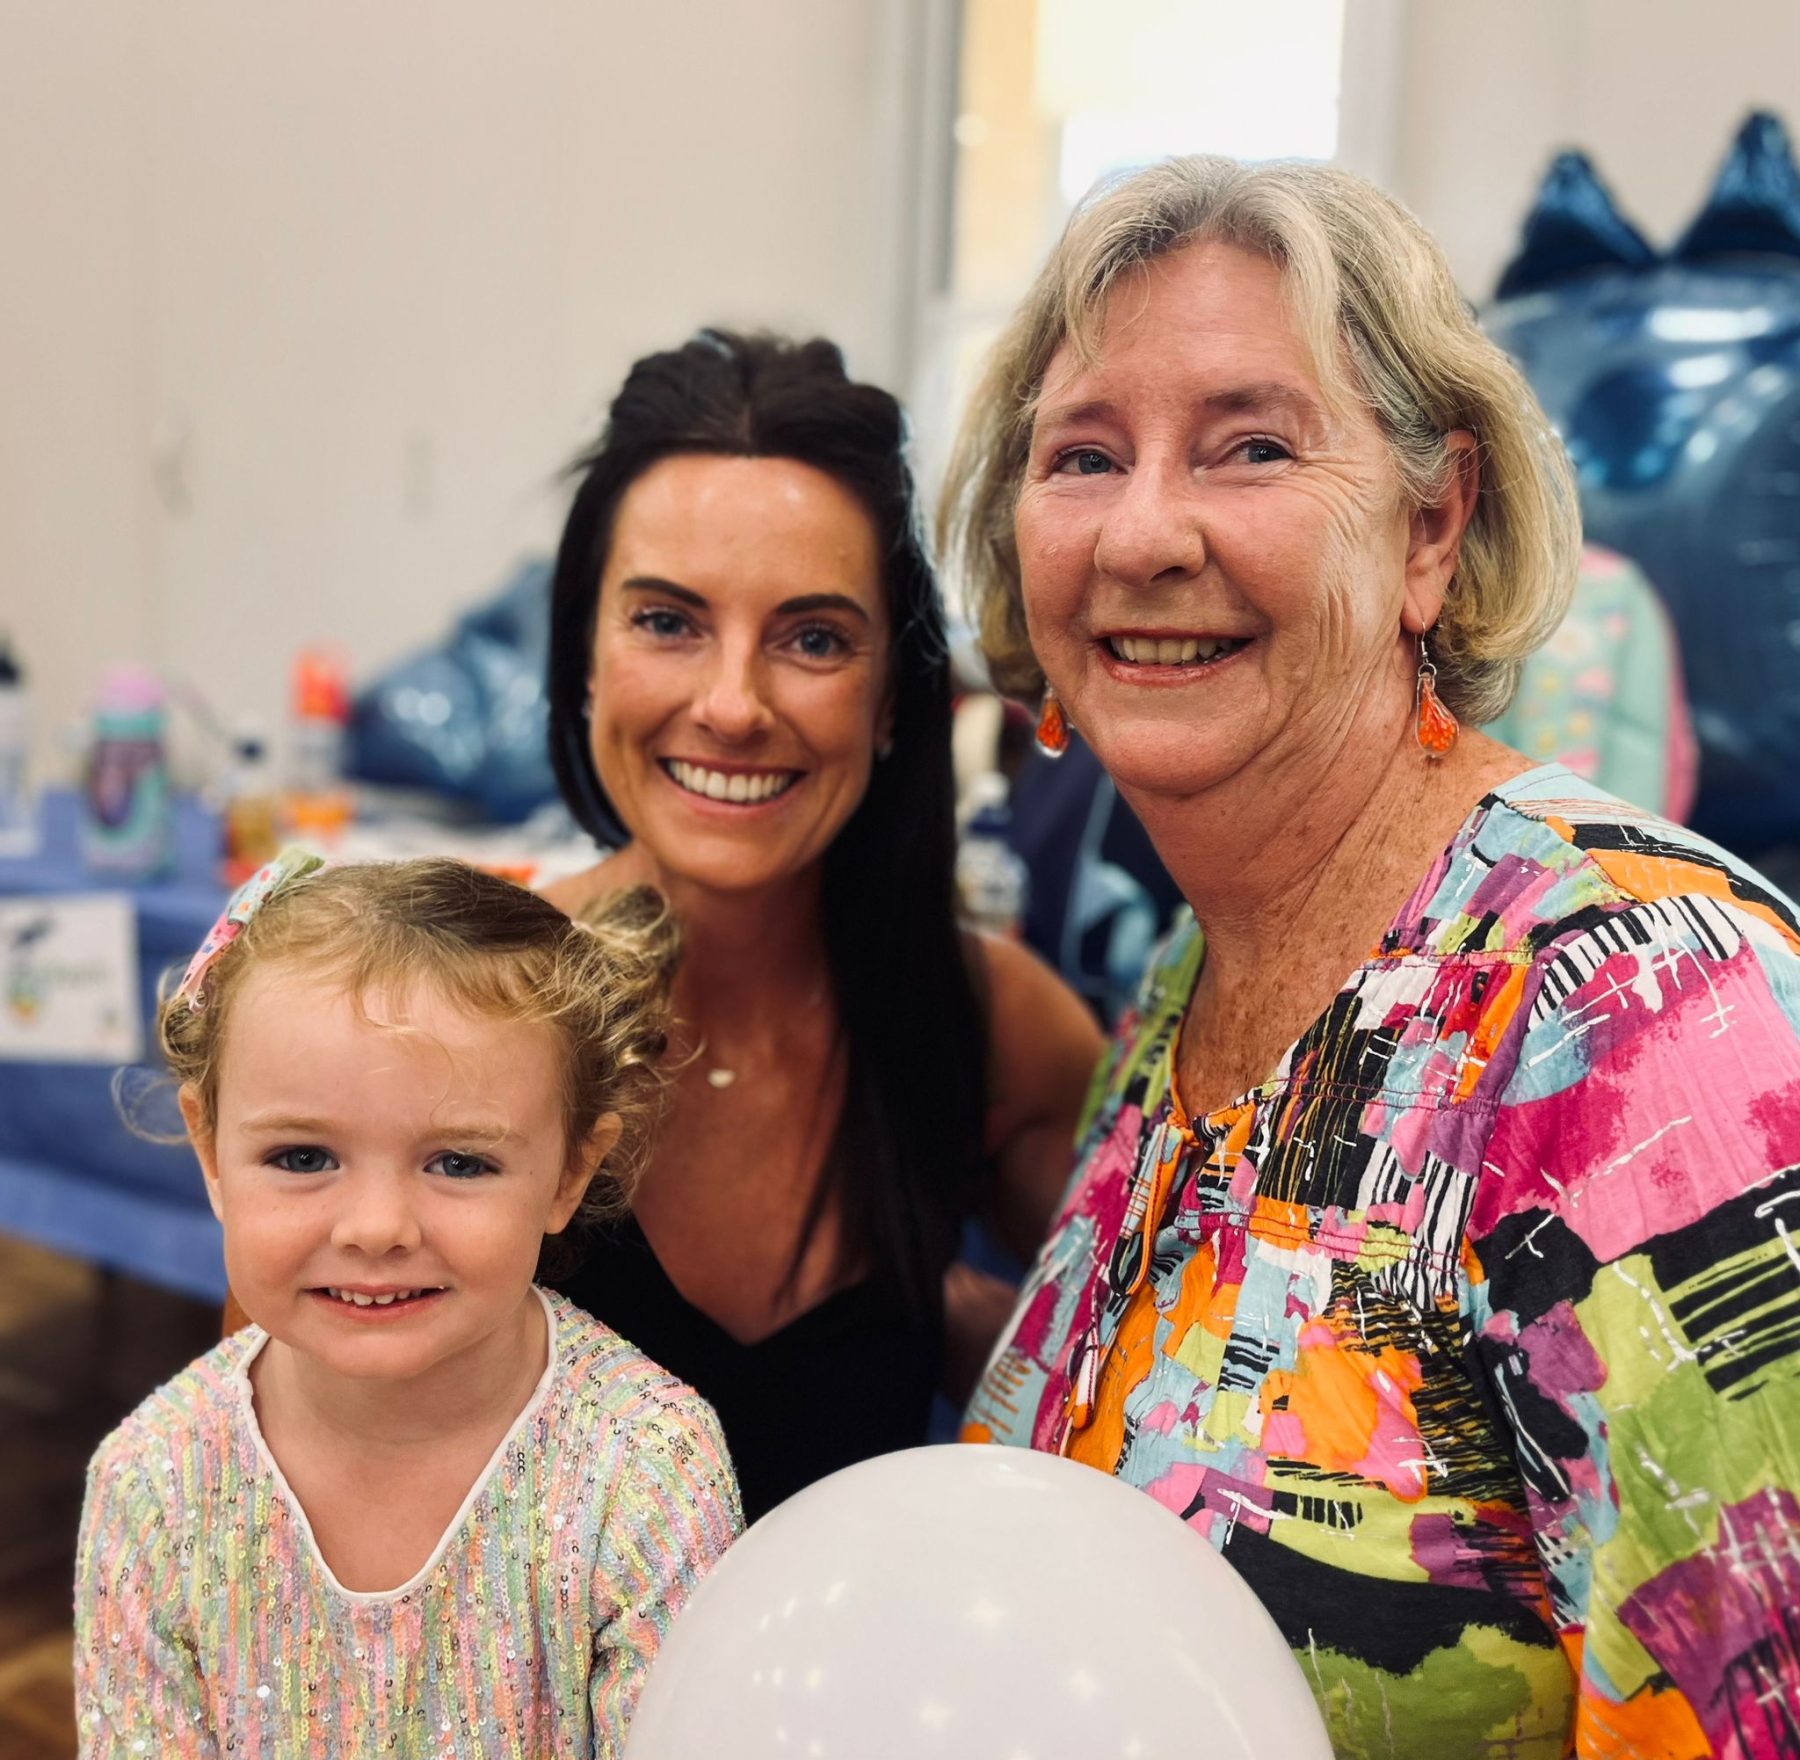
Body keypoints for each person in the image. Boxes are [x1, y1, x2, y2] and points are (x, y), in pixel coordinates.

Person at [943, 156, 1800, 1758]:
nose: (1144, 532)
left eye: (1252, 447)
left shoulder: (1635, 1009)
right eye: (1084, 456)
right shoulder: (1190, 987)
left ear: (1432, 526)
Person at [541, 331, 1103, 1522]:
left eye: (812, 638)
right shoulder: (468, 1010)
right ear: (584, 653)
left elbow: (1174, 1398)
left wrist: (985, 1337)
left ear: (893, 696)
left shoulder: (994, 1025)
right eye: (668, 621)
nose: (733, 704)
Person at [75, 852, 740, 1759]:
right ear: (211, 1151)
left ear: (570, 1173)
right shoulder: (151, 1484)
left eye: (460, 1162)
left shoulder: (647, 1472)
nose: (378, 1228)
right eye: (303, 1157)